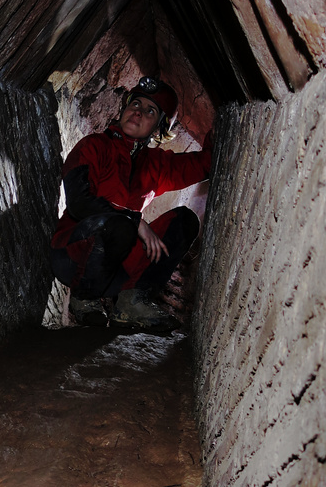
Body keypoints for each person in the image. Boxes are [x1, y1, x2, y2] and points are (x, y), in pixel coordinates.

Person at [50, 77, 212, 332]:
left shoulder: (155, 165)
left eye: (150, 111)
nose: (138, 111)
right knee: (118, 225)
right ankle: (84, 298)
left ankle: (132, 301)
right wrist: (135, 221)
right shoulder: (93, 147)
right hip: (72, 256)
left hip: (117, 268)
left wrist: (222, 117)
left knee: (184, 220)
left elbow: (204, 164)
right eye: (135, 103)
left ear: (158, 128)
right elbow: (80, 204)